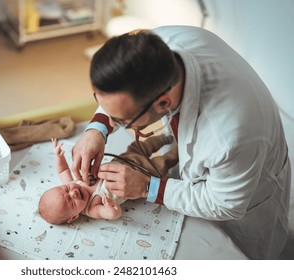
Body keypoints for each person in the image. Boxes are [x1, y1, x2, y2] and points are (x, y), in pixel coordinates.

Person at [71, 26, 291, 259]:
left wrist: (147, 187)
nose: (114, 122)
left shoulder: (230, 135)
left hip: (244, 198)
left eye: (122, 121)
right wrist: (98, 127)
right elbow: (116, 90)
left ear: (163, 103)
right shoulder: (159, 45)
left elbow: (225, 203)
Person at [39, 135, 176, 225]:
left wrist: (59, 156)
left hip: (123, 160)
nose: (72, 193)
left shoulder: (71, 183)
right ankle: (179, 150)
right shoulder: (92, 208)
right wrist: (113, 208)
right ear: (74, 217)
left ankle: (165, 138)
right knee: (163, 163)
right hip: (141, 176)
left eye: (66, 190)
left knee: (140, 146)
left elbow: (62, 170)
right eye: (71, 202)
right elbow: (111, 214)